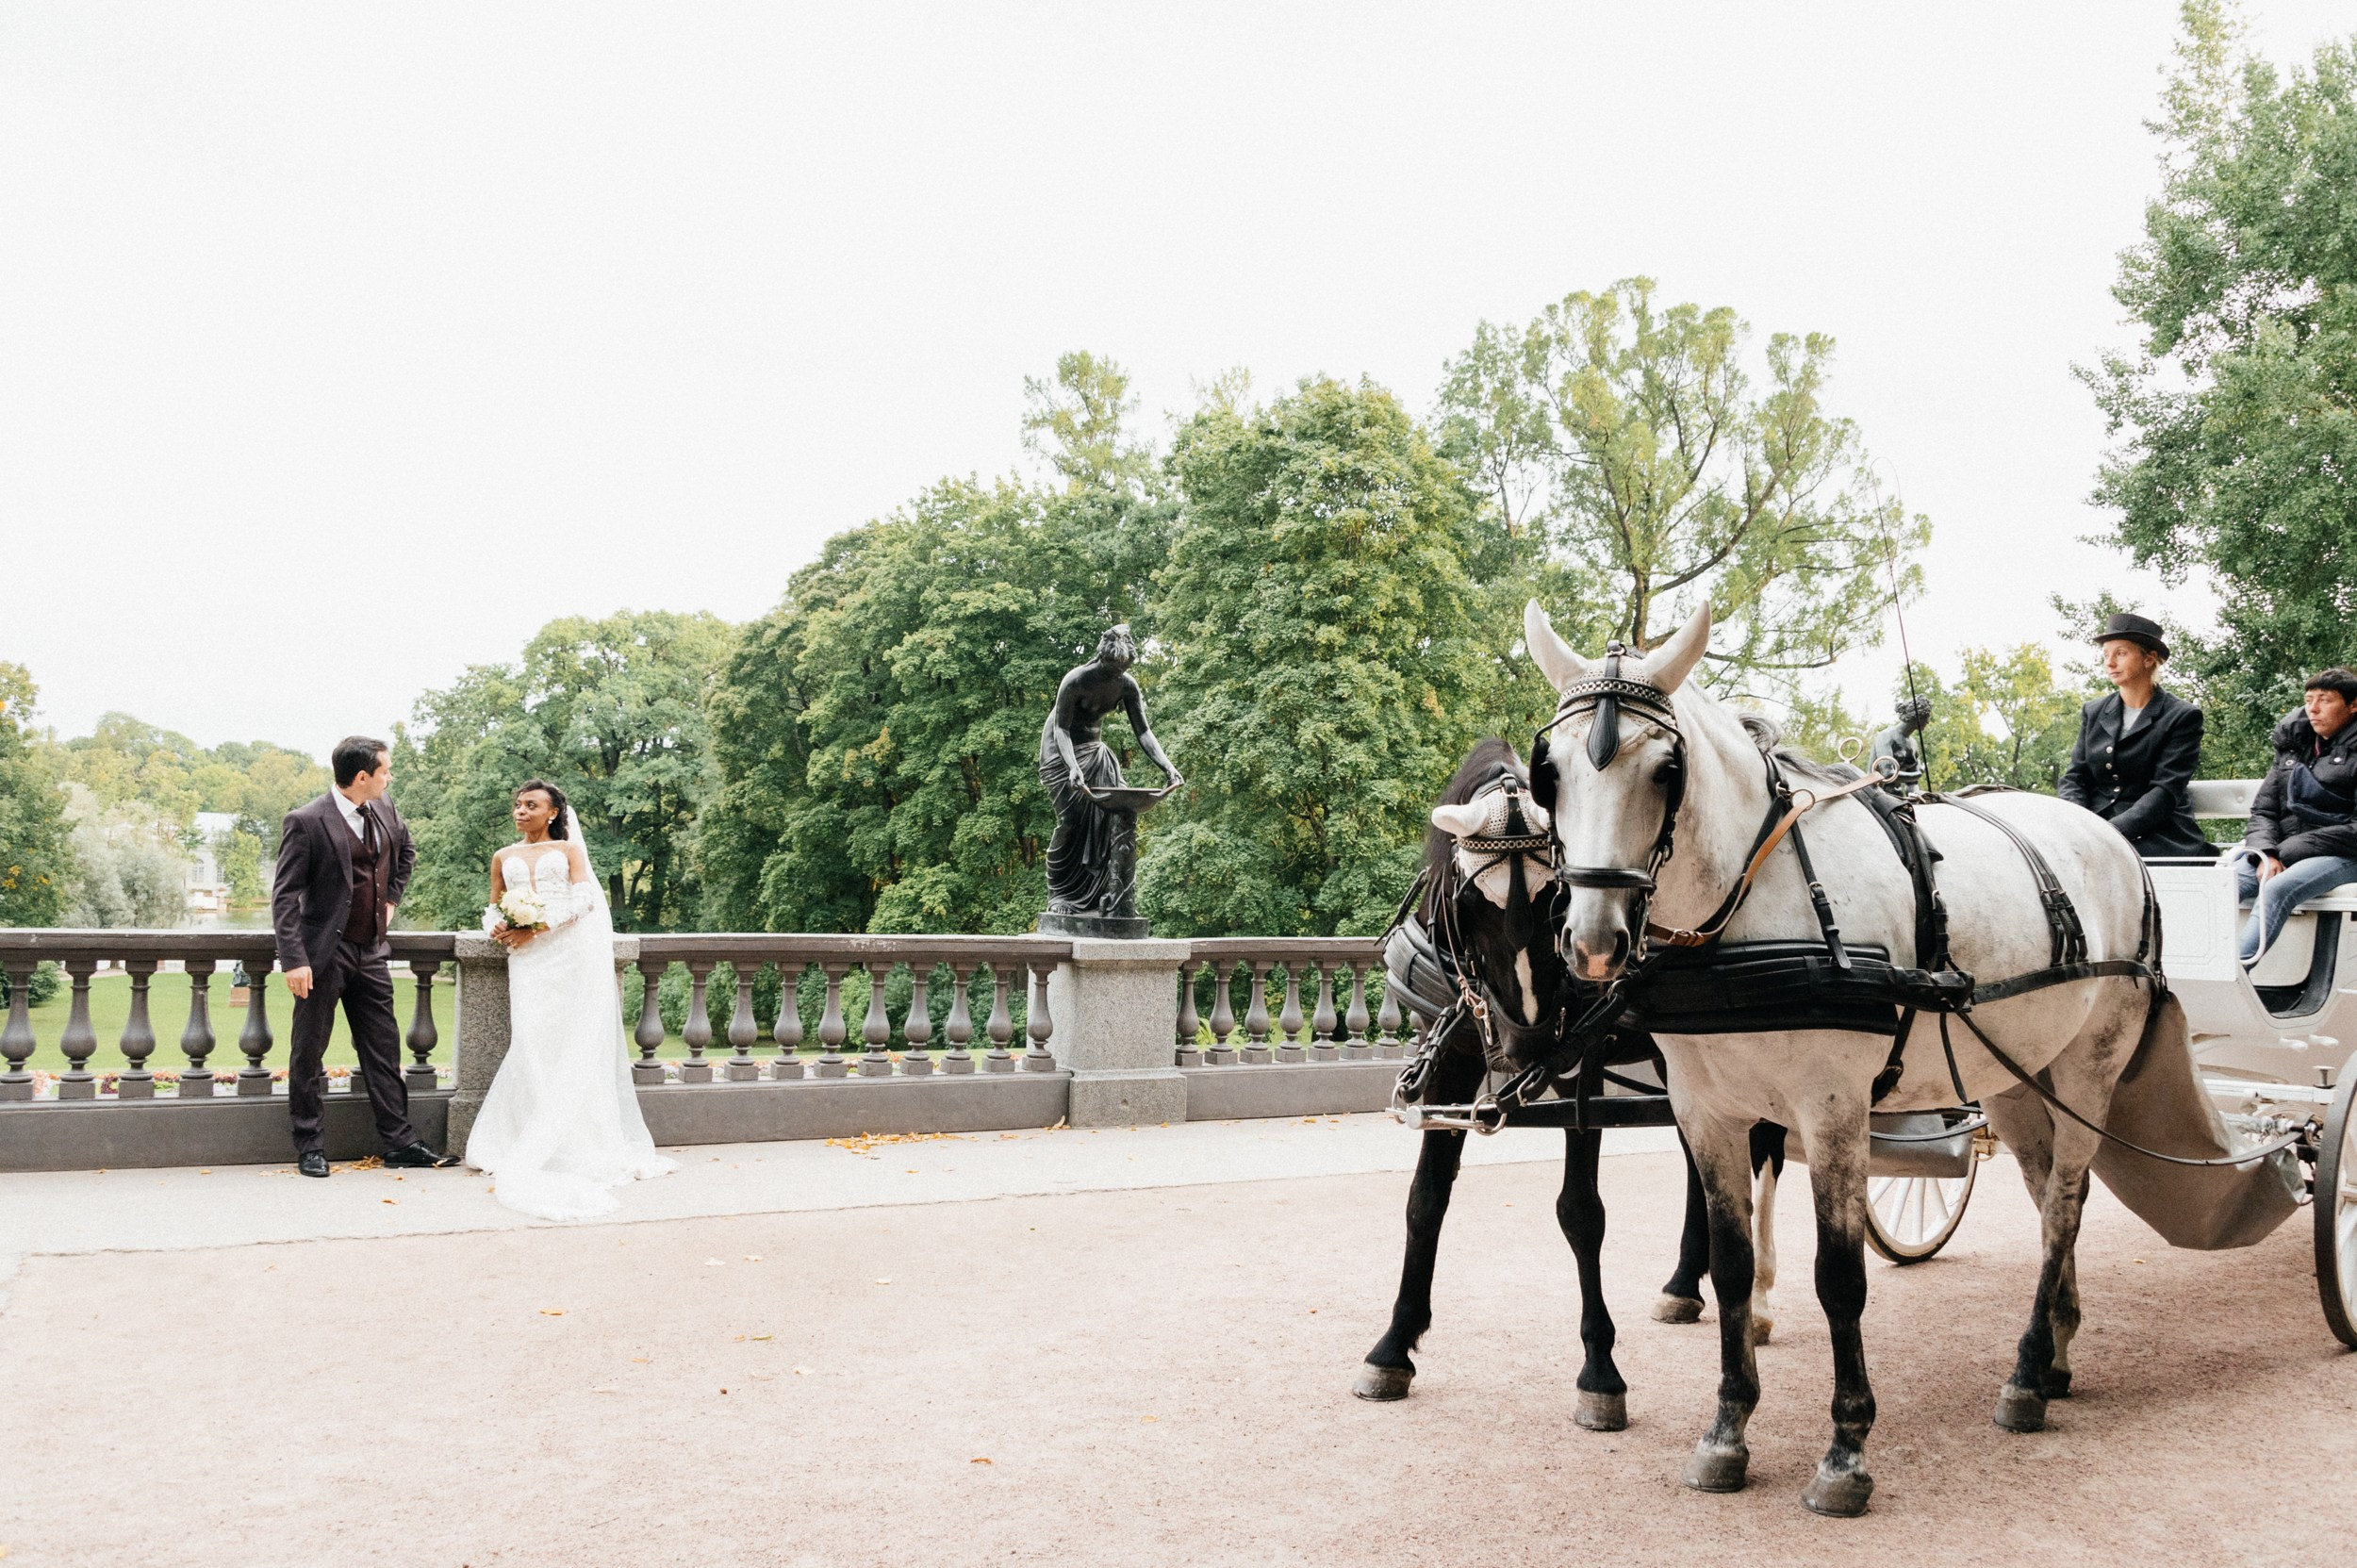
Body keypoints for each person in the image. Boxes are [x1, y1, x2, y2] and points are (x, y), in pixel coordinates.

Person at [464, 780, 677, 1220]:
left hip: (568, 955)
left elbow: (585, 900)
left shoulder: (569, 853)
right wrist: (497, 927)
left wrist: (537, 927)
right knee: (532, 1040)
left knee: (573, 1043)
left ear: (554, 812)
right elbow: (492, 905)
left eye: (531, 805)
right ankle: (529, 1135)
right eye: (518, 805)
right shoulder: (503, 856)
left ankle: (579, 1140)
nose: (521, 811)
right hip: (527, 961)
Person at [271, 735, 458, 1178]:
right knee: (308, 1051)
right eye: (385, 771)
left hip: (372, 951)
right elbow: (284, 897)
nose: (389, 778)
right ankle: (310, 1146)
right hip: (322, 955)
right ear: (361, 777)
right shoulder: (306, 821)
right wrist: (294, 959)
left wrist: (390, 899)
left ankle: (401, 1142)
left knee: (382, 1048)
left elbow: (406, 853)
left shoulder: (385, 808)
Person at [1038, 624, 1182, 923]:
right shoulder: (1075, 680)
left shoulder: (1126, 685)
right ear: (1101, 658)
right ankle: (1059, 895)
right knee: (1070, 821)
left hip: (1094, 750)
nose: (1115, 677)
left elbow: (1143, 732)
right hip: (1058, 752)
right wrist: (1073, 768)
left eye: (1120, 671)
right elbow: (1061, 729)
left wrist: (1168, 766)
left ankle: (1107, 896)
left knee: (1110, 819)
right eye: (1110, 670)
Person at [2057, 612, 2214, 859]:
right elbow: (2075, 777)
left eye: (2120, 653)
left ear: (2149, 659)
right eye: (2106, 655)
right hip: (2094, 828)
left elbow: (2164, 791)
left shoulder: (2182, 716)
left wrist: (2111, 833)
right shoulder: (2094, 711)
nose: (2110, 663)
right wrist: (2080, 824)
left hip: (2158, 834)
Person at [2233, 669, 2357, 967]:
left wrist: (2287, 852)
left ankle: (2234, 975)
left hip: (2344, 854)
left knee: (2277, 887)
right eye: (2308, 700)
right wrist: (2266, 853)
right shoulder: (2293, 747)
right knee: (2221, 884)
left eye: (2324, 700)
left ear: (2353, 705)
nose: (2313, 709)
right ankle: (2183, 974)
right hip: (2284, 851)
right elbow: (2264, 810)